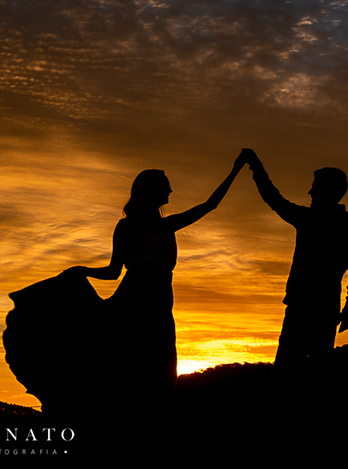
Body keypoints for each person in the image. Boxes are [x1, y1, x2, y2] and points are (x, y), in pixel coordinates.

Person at [65, 157, 245, 411]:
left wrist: (235, 169)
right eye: (166, 185)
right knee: (136, 360)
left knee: (163, 363)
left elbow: (210, 205)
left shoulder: (168, 224)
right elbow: (114, 272)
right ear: (150, 190)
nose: (171, 190)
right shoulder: (126, 227)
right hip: (136, 295)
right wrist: (81, 270)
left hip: (161, 297)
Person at [239, 149, 348, 385]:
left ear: (328, 190)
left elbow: (273, 198)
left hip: (306, 307)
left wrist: (256, 166)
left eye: (315, 186)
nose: (310, 191)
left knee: (289, 374)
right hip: (323, 308)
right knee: (314, 372)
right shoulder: (345, 222)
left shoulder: (314, 220)